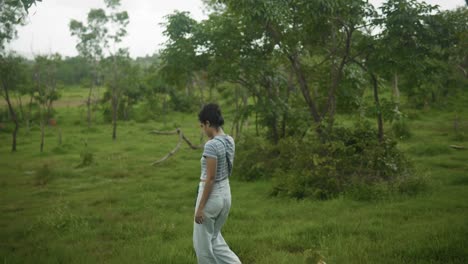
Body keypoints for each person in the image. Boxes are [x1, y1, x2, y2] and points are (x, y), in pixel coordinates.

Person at [193, 103, 242, 264]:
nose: (202, 130)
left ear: (208, 123)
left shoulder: (211, 145)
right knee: (214, 240)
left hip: (211, 197)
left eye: (202, 126)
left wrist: (200, 208)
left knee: (203, 247)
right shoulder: (229, 140)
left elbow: (211, 178)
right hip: (225, 194)